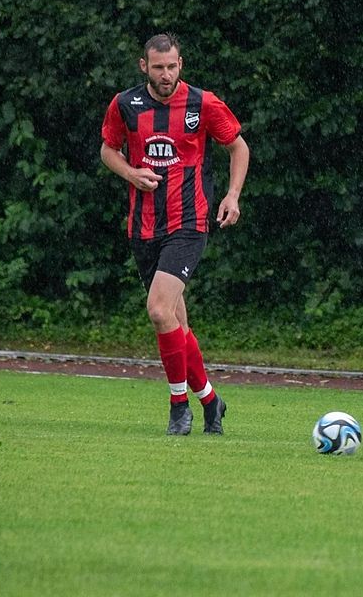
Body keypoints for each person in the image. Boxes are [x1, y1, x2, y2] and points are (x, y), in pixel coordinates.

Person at [100, 33, 249, 435]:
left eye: (172, 66)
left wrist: (232, 196)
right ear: (143, 66)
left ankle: (178, 407)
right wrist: (131, 172)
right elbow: (108, 149)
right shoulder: (125, 105)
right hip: (144, 226)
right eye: (158, 67)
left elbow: (238, 147)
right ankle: (212, 401)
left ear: (181, 64)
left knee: (159, 310)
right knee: (176, 324)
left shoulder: (203, 103)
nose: (166, 75)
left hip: (189, 222)